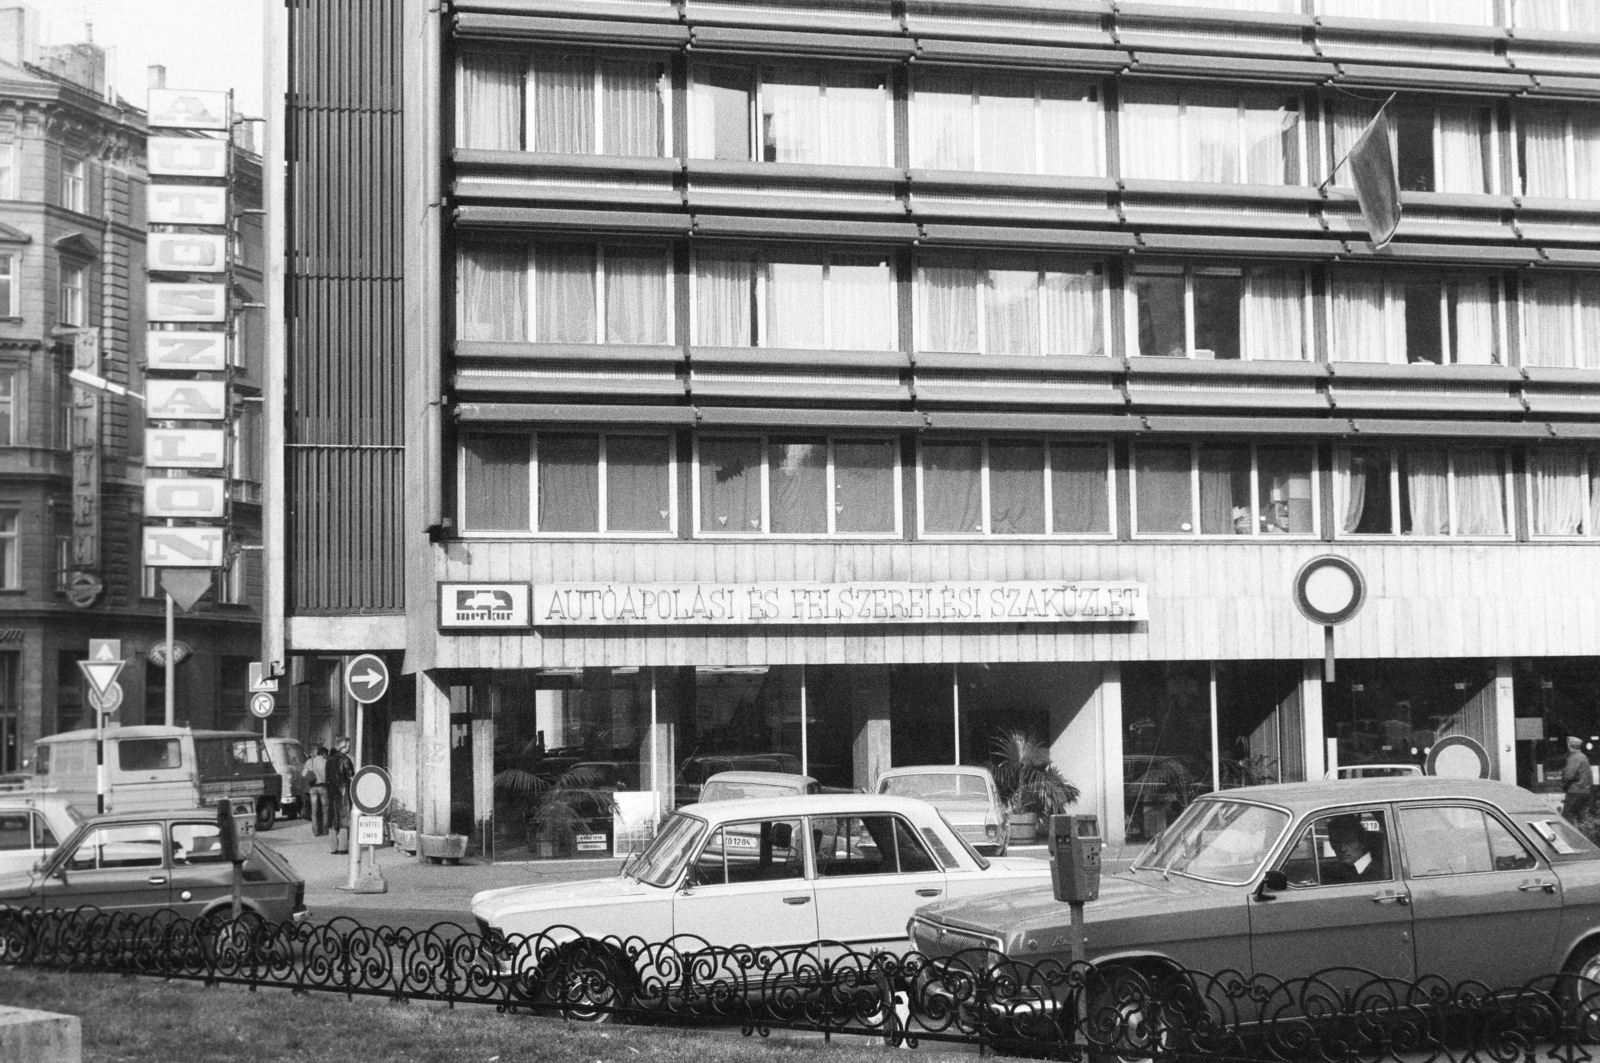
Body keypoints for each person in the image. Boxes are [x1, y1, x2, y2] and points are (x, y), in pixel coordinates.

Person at [1325, 814, 1386, 883]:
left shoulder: (1379, 874)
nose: (1342, 849)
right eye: (1337, 842)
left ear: (1362, 842)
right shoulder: (1334, 871)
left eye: (1349, 842)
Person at [326, 737, 354, 853]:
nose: (349, 747)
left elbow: (327, 777)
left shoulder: (329, 760)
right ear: (343, 747)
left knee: (332, 820)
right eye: (348, 745)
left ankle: (333, 847)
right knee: (344, 819)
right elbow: (351, 777)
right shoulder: (346, 760)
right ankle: (343, 847)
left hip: (332, 791)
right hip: (344, 792)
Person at [1563, 736, 1593, 823]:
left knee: (1567, 818)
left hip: (1575, 791)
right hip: (1585, 791)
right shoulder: (1584, 757)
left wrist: (1563, 784)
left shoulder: (1574, 758)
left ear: (1569, 745)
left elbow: (1568, 775)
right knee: (1581, 819)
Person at [302, 745, 329, 836]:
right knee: (325, 810)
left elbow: (303, 774)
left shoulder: (310, 761)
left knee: (314, 810)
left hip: (312, 788)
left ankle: (316, 831)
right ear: (324, 754)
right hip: (323, 787)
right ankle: (325, 831)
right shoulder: (326, 762)